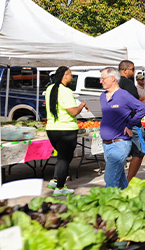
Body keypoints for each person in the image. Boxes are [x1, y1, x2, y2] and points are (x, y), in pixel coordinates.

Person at [100, 67, 145, 189]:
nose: (101, 81)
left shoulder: (123, 95)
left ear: (113, 79)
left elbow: (142, 109)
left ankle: (108, 206)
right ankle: (128, 201)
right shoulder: (102, 96)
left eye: (103, 78)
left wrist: (130, 124)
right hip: (106, 144)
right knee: (120, 178)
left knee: (110, 179)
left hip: (119, 144)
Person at [45, 66, 89, 196]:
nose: (71, 77)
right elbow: (74, 112)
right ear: (64, 75)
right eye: (70, 74)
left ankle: (55, 180)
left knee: (62, 157)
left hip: (52, 129)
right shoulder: (66, 91)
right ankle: (60, 187)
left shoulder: (50, 88)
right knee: (65, 158)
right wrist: (81, 105)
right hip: (66, 130)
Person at [118, 60, 145, 182]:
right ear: (125, 70)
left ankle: (118, 180)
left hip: (117, 123)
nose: (134, 72)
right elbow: (135, 104)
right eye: (132, 69)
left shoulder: (113, 82)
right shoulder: (127, 83)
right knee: (140, 152)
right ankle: (128, 181)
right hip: (131, 124)